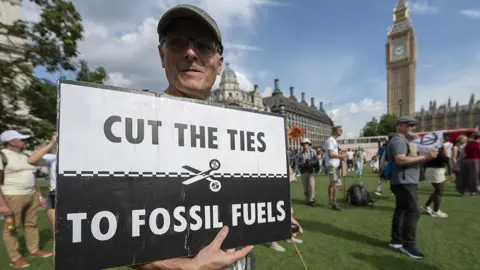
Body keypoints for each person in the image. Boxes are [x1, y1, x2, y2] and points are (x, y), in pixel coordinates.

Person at [131, 4, 254, 270]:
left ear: (218, 64)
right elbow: (111, 232)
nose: (190, 53)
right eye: (177, 43)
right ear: (162, 56)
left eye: (204, 46)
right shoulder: (135, 127)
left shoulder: (237, 128)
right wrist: (186, 267)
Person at [387, 116, 438, 260]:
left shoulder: (402, 140)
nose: (413, 128)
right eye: (410, 125)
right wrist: (424, 157)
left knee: (401, 210)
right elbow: (400, 160)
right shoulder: (399, 141)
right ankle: (408, 244)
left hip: (403, 181)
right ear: (401, 125)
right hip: (404, 181)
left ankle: (396, 240)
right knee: (413, 211)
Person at [0, 130, 53, 268]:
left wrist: (39, 195)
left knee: (31, 224)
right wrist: (3, 205)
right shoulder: (2, 156)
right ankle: (15, 257)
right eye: (21, 140)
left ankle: (34, 250)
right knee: (12, 227)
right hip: (12, 196)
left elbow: (33, 177)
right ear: (11, 142)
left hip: (31, 195)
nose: (25, 142)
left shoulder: (26, 155)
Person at [27, 132, 57, 263]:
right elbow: (31, 160)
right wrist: (51, 143)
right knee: (58, 234)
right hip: (56, 195)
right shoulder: (53, 157)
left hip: (76, 195)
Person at [420, 142, 450, 218]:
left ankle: (426, 206)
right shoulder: (437, 149)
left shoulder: (430, 148)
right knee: (440, 191)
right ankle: (435, 211)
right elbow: (444, 159)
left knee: (437, 190)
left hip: (432, 170)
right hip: (436, 171)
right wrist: (445, 151)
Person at [324, 126, 346, 211]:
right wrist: (341, 156)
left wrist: (340, 155)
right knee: (337, 184)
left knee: (332, 184)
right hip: (332, 165)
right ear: (335, 131)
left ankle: (331, 203)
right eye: (340, 130)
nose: (342, 131)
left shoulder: (334, 141)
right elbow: (331, 154)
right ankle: (334, 203)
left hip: (334, 165)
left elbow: (333, 153)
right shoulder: (330, 140)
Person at [457, 132, 480, 196]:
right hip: (474, 161)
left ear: (473, 137)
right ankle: (473, 191)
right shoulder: (478, 144)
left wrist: (458, 161)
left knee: (465, 176)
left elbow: (463, 153)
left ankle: (462, 190)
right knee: (474, 177)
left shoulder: (468, 144)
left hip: (465, 161)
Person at [297, 138, 319, 206]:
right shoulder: (300, 153)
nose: (305, 145)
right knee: (305, 187)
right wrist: (303, 164)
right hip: (304, 171)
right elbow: (298, 163)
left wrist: (310, 163)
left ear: (309, 145)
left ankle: (311, 199)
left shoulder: (313, 152)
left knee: (311, 185)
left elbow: (316, 160)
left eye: (306, 144)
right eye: (304, 144)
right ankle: (307, 199)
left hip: (311, 170)